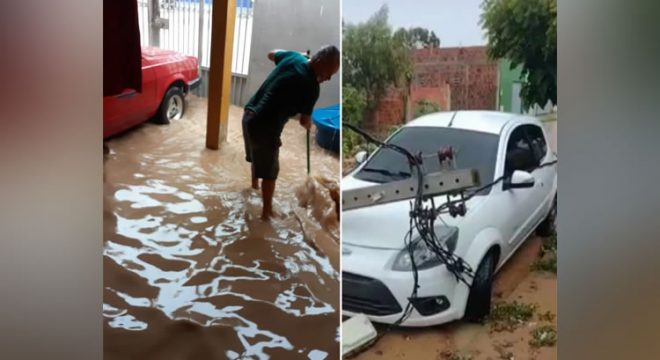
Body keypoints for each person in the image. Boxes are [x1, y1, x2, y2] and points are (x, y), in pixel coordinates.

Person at [242, 45, 340, 221]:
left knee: (258, 158)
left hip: (248, 116)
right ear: (318, 62)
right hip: (266, 128)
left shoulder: (293, 57)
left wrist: (299, 55)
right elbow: (303, 121)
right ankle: (267, 213)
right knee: (270, 173)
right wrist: (309, 124)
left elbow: (270, 53)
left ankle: (253, 187)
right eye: (328, 73)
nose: (328, 79)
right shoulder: (312, 87)